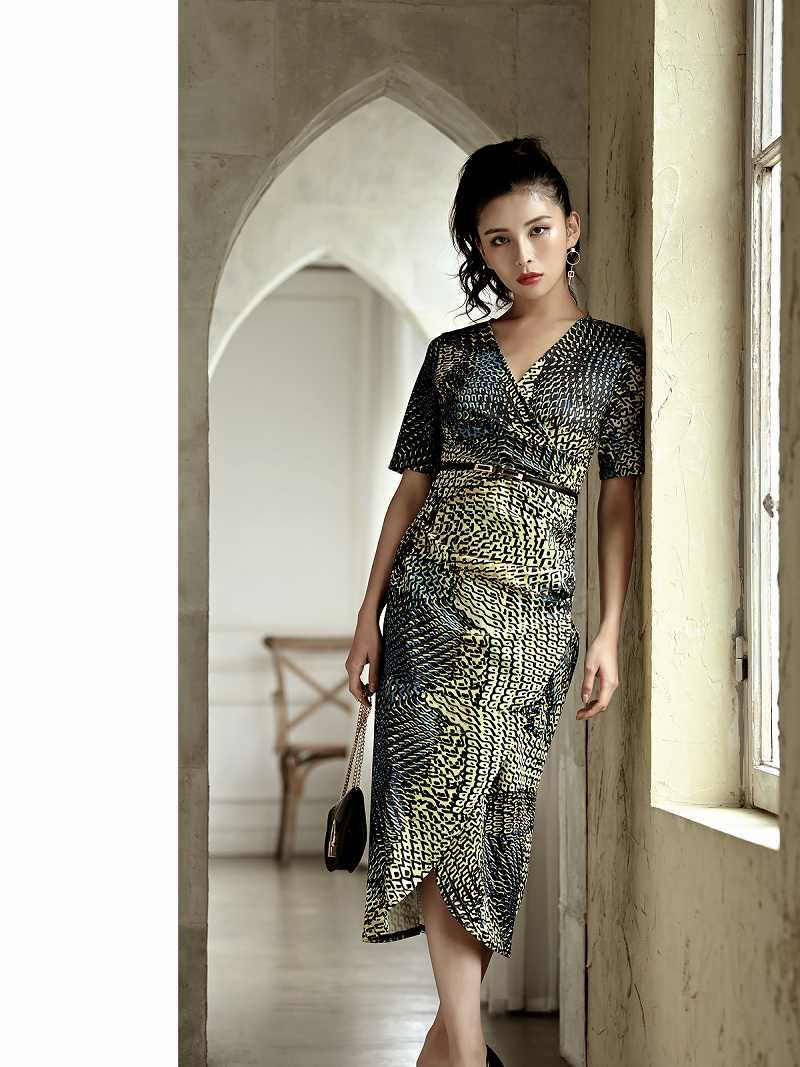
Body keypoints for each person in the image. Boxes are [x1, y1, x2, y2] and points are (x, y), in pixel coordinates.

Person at [344, 135, 646, 1067]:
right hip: (427, 613)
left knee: (489, 828)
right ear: (479, 249)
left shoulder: (615, 359)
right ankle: (469, 1052)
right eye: (498, 239)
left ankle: (456, 1053)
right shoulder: (451, 356)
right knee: (429, 823)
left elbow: (619, 501)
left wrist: (609, 630)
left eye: (539, 230)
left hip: (531, 626)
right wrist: (367, 619)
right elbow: (410, 493)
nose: (523, 255)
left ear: (573, 228)